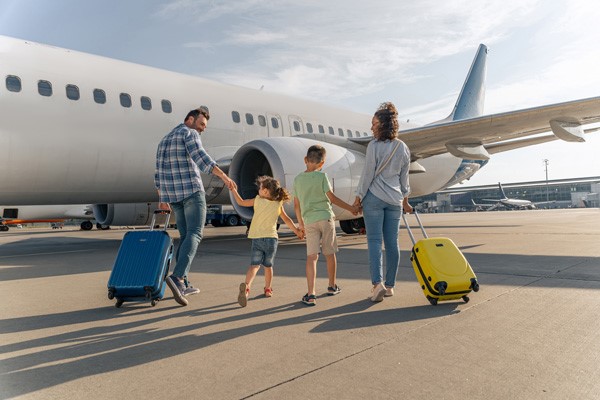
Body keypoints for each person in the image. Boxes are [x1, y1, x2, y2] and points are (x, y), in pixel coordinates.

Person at [154, 106, 235, 306]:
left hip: (174, 197)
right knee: (196, 234)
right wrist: (225, 177)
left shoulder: (164, 141)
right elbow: (202, 158)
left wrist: (162, 198)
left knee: (185, 236)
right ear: (190, 119)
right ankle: (178, 277)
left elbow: (158, 174)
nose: (202, 129)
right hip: (191, 192)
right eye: (201, 124)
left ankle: (184, 283)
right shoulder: (189, 134)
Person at [354, 102, 413, 302]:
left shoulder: (374, 146)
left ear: (383, 125)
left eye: (374, 124)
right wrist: (405, 201)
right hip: (395, 200)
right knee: (392, 243)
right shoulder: (403, 147)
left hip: (375, 199)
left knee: (374, 242)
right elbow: (405, 179)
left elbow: (367, 174)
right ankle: (389, 286)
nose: (371, 128)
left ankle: (376, 284)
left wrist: (358, 197)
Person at [293, 145, 360, 306]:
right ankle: (331, 286)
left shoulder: (297, 179)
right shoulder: (322, 177)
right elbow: (333, 199)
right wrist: (351, 209)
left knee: (312, 257)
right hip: (326, 218)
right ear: (322, 163)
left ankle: (311, 294)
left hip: (309, 221)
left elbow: (296, 205)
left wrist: (300, 225)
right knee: (329, 253)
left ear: (305, 160)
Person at [231, 176, 303, 307]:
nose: (258, 190)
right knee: (268, 266)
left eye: (260, 187)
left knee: (254, 266)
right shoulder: (278, 203)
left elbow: (241, 202)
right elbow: (287, 220)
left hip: (257, 238)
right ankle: (268, 289)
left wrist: (234, 190)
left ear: (265, 192)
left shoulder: (257, 200)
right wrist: (297, 231)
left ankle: (246, 288)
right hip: (271, 239)